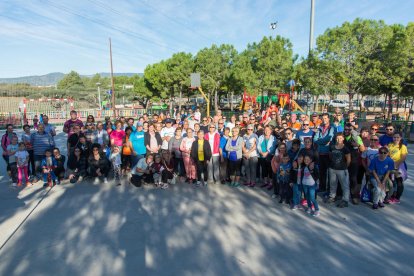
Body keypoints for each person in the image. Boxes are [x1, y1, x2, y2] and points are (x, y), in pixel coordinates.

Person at [313, 113, 336, 193]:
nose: (324, 120)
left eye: (326, 118)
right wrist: (321, 142)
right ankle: (322, 187)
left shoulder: (332, 128)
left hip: (328, 153)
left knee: (330, 174)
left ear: (329, 119)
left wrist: (320, 141)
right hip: (320, 153)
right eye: (323, 118)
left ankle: (329, 190)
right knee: (322, 172)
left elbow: (329, 138)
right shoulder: (320, 127)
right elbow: (315, 139)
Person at [344, 123, 365, 204]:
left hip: (353, 161)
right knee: (341, 178)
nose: (347, 131)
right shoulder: (341, 136)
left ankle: (354, 196)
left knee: (353, 179)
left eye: (349, 130)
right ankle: (339, 195)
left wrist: (357, 145)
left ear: (352, 130)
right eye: (345, 129)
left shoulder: (356, 137)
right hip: (343, 160)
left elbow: (363, 149)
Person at [328, 133, 351, 208]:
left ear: (343, 139)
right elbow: (330, 156)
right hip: (332, 168)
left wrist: (344, 167)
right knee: (332, 184)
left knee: (344, 185)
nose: (339, 140)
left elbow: (348, 160)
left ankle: (345, 200)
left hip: (342, 169)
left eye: (340, 138)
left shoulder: (345, 149)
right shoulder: (332, 147)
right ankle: (332, 196)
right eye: (337, 138)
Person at [387, 132, 408, 203]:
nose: (396, 139)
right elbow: (388, 155)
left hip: (399, 165)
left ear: (400, 138)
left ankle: (397, 198)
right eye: (394, 137)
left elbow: (403, 157)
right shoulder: (390, 145)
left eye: (397, 137)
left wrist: (396, 165)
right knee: (392, 182)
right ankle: (391, 196)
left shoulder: (403, 146)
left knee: (399, 181)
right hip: (391, 165)